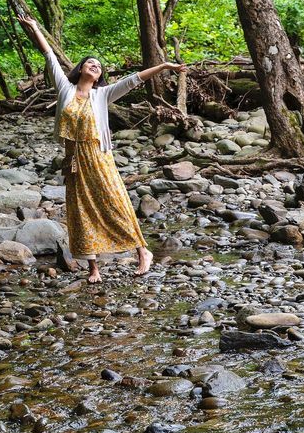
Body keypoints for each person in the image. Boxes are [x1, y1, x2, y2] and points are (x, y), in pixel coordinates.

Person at [17, 14, 185, 283]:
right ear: (81, 68)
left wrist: (163, 65)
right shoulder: (65, 89)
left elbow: (133, 80)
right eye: (90, 63)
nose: (94, 66)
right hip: (74, 159)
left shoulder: (102, 94)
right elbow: (50, 57)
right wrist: (36, 28)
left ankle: (143, 251)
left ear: (100, 76)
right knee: (80, 209)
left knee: (116, 202)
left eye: (98, 66)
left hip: (99, 155)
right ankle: (93, 268)